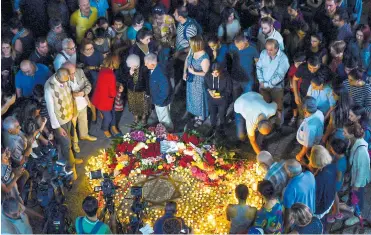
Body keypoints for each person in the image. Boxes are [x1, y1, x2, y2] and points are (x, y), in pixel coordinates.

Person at [44, 68, 83, 181]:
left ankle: (72, 160)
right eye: (63, 81)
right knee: (66, 145)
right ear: (57, 76)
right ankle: (71, 168)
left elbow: (73, 89)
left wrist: (72, 79)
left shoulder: (65, 79)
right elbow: (51, 110)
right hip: (60, 122)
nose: (65, 83)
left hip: (69, 116)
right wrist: (58, 127)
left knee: (69, 141)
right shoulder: (49, 87)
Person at [63, 62, 97, 153]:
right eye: (71, 73)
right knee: (73, 126)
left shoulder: (80, 71)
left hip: (82, 102)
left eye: (74, 72)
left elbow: (88, 84)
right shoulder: (60, 79)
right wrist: (72, 95)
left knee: (83, 120)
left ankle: (84, 135)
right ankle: (75, 143)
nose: (74, 74)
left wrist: (83, 92)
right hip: (71, 107)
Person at [257, 39, 290, 127]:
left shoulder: (283, 59)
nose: (268, 52)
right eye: (267, 49)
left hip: (277, 87)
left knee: (278, 107)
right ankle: (265, 125)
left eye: (271, 50)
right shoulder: (263, 53)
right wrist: (261, 81)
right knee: (264, 106)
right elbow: (258, 67)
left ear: (276, 49)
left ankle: (278, 125)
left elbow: (280, 76)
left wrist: (266, 84)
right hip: (263, 85)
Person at [343, 121, 370, 226]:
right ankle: (351, 201)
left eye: (345, 132)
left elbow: (362, 171)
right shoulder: (352, 140)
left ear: (352, 134)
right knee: (353, 194)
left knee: (358, 197)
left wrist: (357, 185)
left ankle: (358, 216)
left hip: (359, 180)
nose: (343, 134)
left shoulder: (361, 151)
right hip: (354, 175)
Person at [91, 55, 121, 138]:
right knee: (108, 118)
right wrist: (118, 88)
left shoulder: (103, 70)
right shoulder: (111, 74)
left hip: (99, 97)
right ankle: (105, 129)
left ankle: (114, 127)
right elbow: (113, 93)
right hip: (104, 101)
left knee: (113, 113)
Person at [183, 35, 210, 127]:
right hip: (191, 79)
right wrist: (184, 72)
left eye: (191, 44)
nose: (189, 45)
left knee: (200, 98)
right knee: (192, 97)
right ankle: (196, 114)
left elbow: (206, 73)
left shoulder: (204, 57)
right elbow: (187, 60)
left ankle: (201, 117)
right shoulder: (192, 51)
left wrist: (194, 72)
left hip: (199, 81)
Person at [283, 159, 316, 231]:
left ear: (290, 173)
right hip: (311, 211)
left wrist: (286, 227)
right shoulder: (309, 174)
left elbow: (288, 212)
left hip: (300, 218)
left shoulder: (290, 189)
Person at [144, 53, 174, 131]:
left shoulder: (160, 74)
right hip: (159, 100)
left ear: (152, 64)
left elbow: (165, 90)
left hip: (161, 102)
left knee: (164, 119)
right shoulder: (157, 68)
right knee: (163, 117)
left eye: (146, 63)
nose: (145, 65)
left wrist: (159, 101)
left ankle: (168, 133)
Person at [309, 145, 337, 220]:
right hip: (331, 198)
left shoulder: (319, 180)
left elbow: (316, 200)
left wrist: (310, 212)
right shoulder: (332, 165)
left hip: (321, 208)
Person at [204, 63, 231, 136]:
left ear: (220, 71)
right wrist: (209, 90)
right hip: (211, 100)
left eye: (216, 72)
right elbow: (205, 85)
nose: (214, 74)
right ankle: (213, 129)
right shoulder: (208, 75)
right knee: (212, 114)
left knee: (222, 115)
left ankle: (222, 130)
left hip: (222, 100)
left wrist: (218, 95)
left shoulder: (226, 77)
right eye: (213, 72)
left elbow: (228, 90)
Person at [230, 33, 259, 100]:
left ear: (245, 42)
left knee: (248, 99)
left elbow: (257, 62)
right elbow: (231, 56)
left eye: (240, 46)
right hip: (235, 78)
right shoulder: (232, 47)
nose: (239, 49)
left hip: (248, 79)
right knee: (236, 99)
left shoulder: (253, 48)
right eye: (237, 47)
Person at [124, 54, 150, 125]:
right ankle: (136, 118)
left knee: (143, 106)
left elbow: (147, 81)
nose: (130, 67)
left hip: (141, 91)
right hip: (131, 91)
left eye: (132, 66)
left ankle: (143, 119)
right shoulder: (128, 70)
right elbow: (125, 80)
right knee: (133, 105)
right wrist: (130, 74)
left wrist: (148, 92)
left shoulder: (143, 69)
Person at [296, 96, 325, 161]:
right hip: (315, 139)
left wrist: (300, 155)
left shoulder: (309, 126)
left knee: (307, 156)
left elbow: (307, 145)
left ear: (305, 110)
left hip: (309, 144)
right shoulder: (319, 112)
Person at [327, 138, 348, 223]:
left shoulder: (339, 164)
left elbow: (338, 178)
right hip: (339, 182)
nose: (330, 149)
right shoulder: (343, 158)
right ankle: (337, 212)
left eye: (331, 148)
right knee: (335, 197)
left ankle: (335, 213)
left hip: (336, 184)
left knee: (334, 198)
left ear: (336, 151)